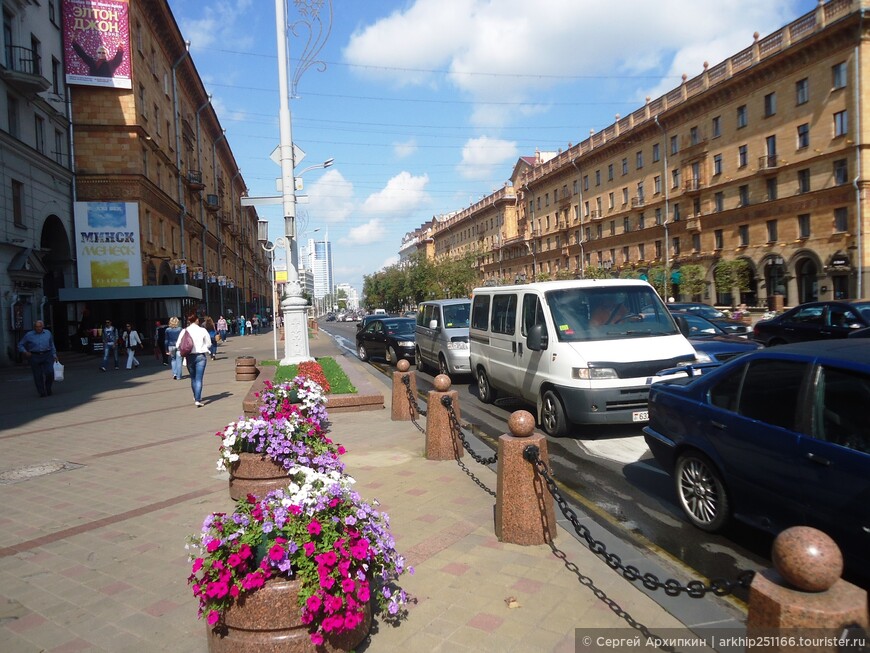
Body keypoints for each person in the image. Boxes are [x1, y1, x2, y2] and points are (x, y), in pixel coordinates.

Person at [176, 313, 211, 407]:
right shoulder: (202, 330)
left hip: (189, 356)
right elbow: (209, 343)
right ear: (196, 320)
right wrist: (202, 346)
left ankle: (196, 396)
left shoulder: (184, 331)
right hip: (200, 356)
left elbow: (178, 344)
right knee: (199, 378)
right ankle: (197, 399)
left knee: (193, 378)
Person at [18, 320, 59, 397]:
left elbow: (51, 344)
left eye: (40, 326)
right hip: (34, 356)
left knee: (50, 372)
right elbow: (20, 345)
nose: (38, 328)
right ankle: (41, 391)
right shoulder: (29, 335)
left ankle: (48, 388)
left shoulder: (47, 333)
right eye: (36, 327)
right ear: (34, 327)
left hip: (47, 354)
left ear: (42, 327)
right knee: (38, 375)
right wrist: (25, 352)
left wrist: (54, 354)